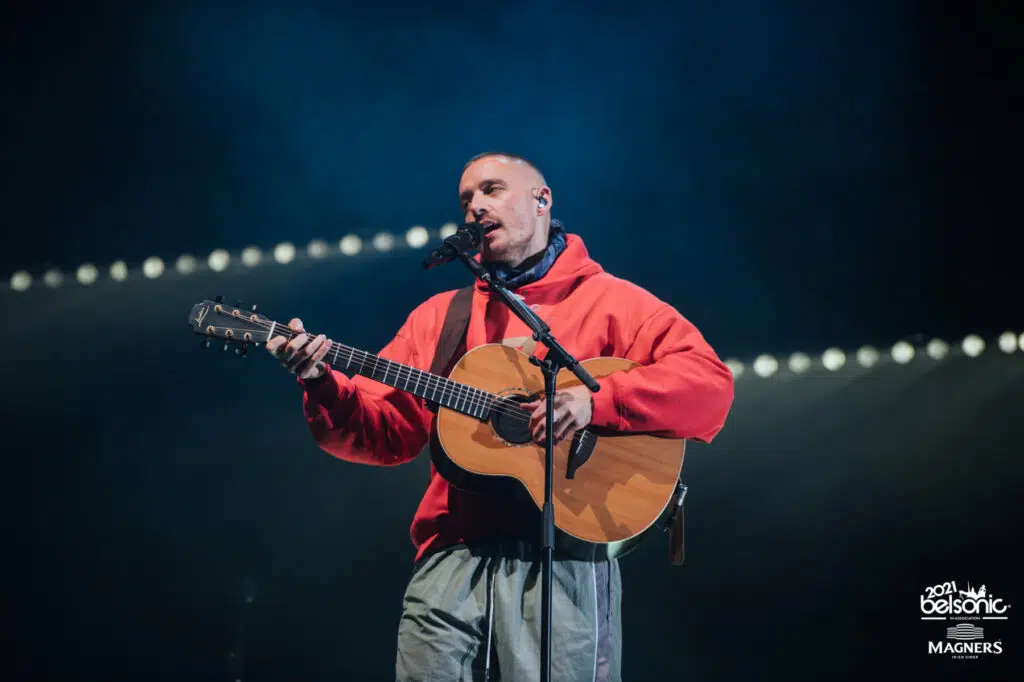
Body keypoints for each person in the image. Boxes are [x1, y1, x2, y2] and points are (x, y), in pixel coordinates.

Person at [265, 152, 735, 681]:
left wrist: (596, 401)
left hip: (568, 565)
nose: (474, 207)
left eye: (490, 190)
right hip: (451, 562)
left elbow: (710, 386)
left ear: (542, 200)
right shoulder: (441, 317)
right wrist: (320, 382)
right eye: (466, 199)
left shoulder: (613, 303)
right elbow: (383, 435)